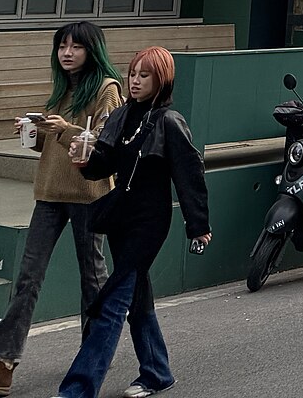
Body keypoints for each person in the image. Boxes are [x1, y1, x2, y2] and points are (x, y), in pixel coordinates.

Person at [0, 23, 124, 395]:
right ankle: (4, 364)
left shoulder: (107, 89)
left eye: (76, 47)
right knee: (28, 277)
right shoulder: (62, 89)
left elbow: (103, 145)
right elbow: (55, 149)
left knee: (92, 278)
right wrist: (35, 135)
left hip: (90, 194)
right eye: (62, 47)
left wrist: (64, 128)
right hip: (49, 193)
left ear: (92, 50)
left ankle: (94, 350)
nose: (67, 53)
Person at [54, 48, 209, 398]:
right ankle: (157, 372)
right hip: (121, 217)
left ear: (162, 79)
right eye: (133, 74)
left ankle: (77, 390)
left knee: (112, 302)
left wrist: (198, 225)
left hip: (150, 222)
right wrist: (85, 160)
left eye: (145, 75)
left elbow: (189, 175)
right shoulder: (122, 115)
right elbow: (104, 164)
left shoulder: (170, 122)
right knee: (137, 298)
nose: (135, 81)